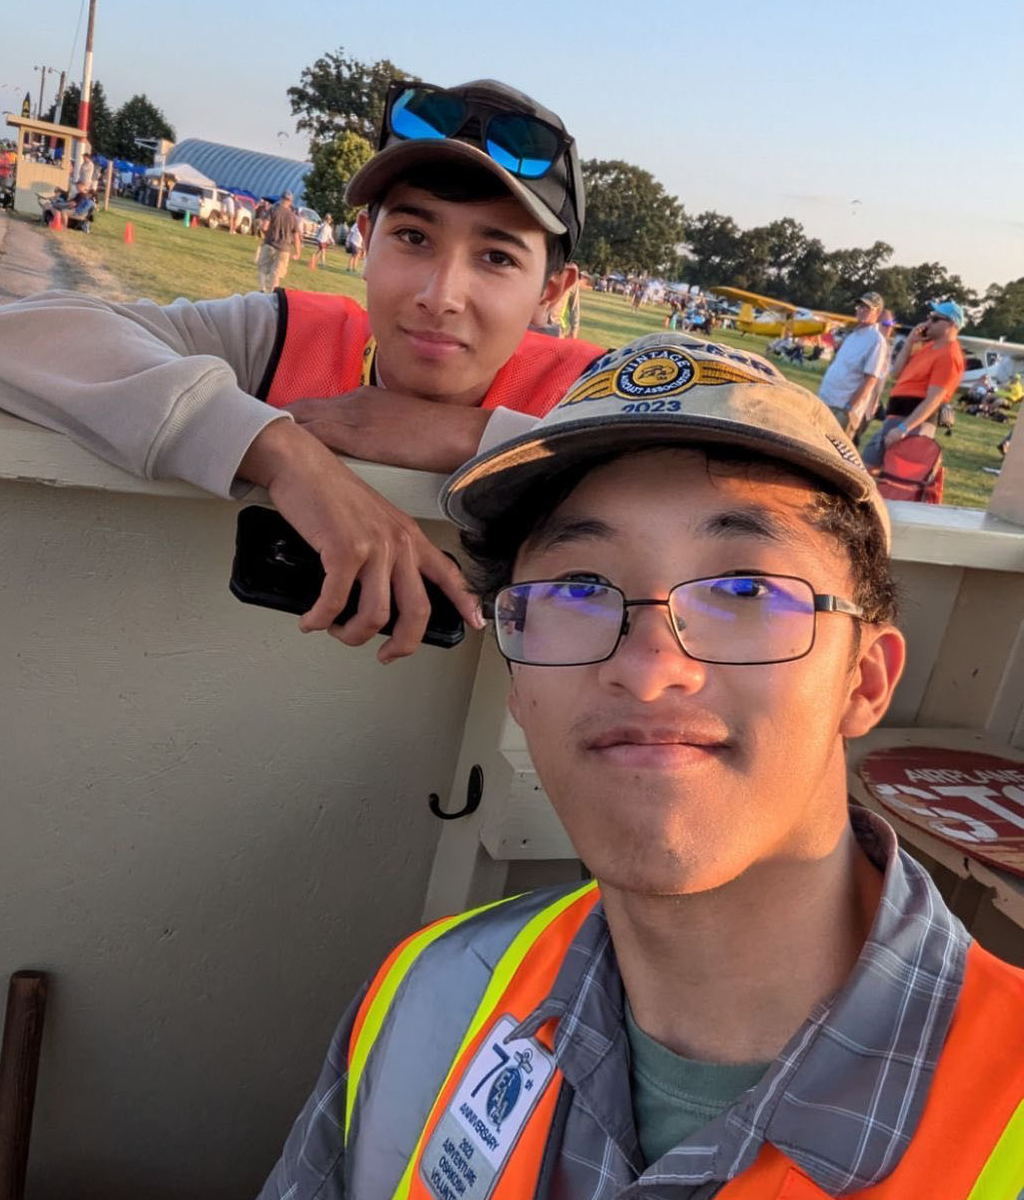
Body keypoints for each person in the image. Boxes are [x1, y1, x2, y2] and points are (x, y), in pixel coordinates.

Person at [262, 333, 1024, 1198]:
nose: (650, 664)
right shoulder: (431, 993)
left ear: (864, 679)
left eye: (744, 592)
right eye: (579, 591)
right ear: (517, 680)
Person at [0, 78, 601, 663]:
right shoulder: (282, 335)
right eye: (413, 237)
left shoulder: (592, 392)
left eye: (496, 257)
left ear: (554, 291)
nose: (441, 293)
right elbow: (2, 339)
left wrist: (467, 439)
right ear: (363, 241)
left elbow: (699, 473)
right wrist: (278, 449)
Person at [862, 300, 966, 471]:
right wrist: (909, 343)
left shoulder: (950, 355)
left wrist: (904, 428)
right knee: (868, 466)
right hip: (896, 418)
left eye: (934, 319)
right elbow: (896, 373)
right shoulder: (927, 347)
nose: (927, 323)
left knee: (895, 473)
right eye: (928, 318)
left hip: (912, 423)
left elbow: (934, 399)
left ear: (951, 324)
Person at [815, 292, 888, 439]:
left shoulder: (876, 341)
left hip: (841, 408)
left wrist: (849, 408)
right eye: (860, 306)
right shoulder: (853, 335)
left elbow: (870, 380)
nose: (861, 310)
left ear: (877, 313)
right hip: (826, 400)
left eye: (866, 308)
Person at [254, 191, 301, 292]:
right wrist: (297, 253)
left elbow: (264, 226)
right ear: (290, 202)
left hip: (270, 243)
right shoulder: (293, 217)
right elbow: (297, 237)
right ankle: (272, 292)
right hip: (284, 249)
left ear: (281, 199)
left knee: (263, 268)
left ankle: (262, 289)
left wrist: (267, 235)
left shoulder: (273, 210)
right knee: (277, 273)